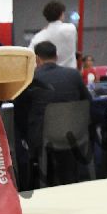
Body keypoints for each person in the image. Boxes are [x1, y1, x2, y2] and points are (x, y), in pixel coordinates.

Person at [14, 40, 93, 173]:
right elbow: (88, 101)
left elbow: (19, 111)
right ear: (56, 57)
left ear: (37, 59)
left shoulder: (31, 79)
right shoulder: (74, 75)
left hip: (44, 137)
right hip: (75, 133)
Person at [28, 0, 78, 69]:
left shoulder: (39, 36)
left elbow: (29, 56)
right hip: (70, 72)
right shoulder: (71, 28)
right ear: (61, 14)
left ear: (46, 17)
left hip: (48, 72)